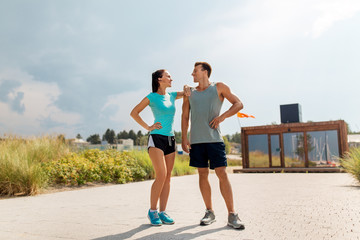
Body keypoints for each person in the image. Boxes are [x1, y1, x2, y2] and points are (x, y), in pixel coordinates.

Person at [181, 62, 245, 229]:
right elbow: (185, 116)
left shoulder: (219, 87)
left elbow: (238, 104)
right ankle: (209, 211)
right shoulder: (189, 92)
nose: (192, 74)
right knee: (202, 174)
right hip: (196, 141)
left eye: (195, 71)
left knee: (222, 173)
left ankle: (232, 214)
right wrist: (184, 138)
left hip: (214, 140)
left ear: (205, 72)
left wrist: (222, 117)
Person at [130, 69, 189, 226]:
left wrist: (187, 88)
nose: (171, 78)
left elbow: (187, 92)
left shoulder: (172, 95)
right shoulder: (152, 97)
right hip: (156, 138)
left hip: (170, 139)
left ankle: (163, 212)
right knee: (161, 175)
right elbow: (134, 113)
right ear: (159, 79)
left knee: (168, 177)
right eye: (168, 76)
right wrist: (148, 127)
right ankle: (152, 210)